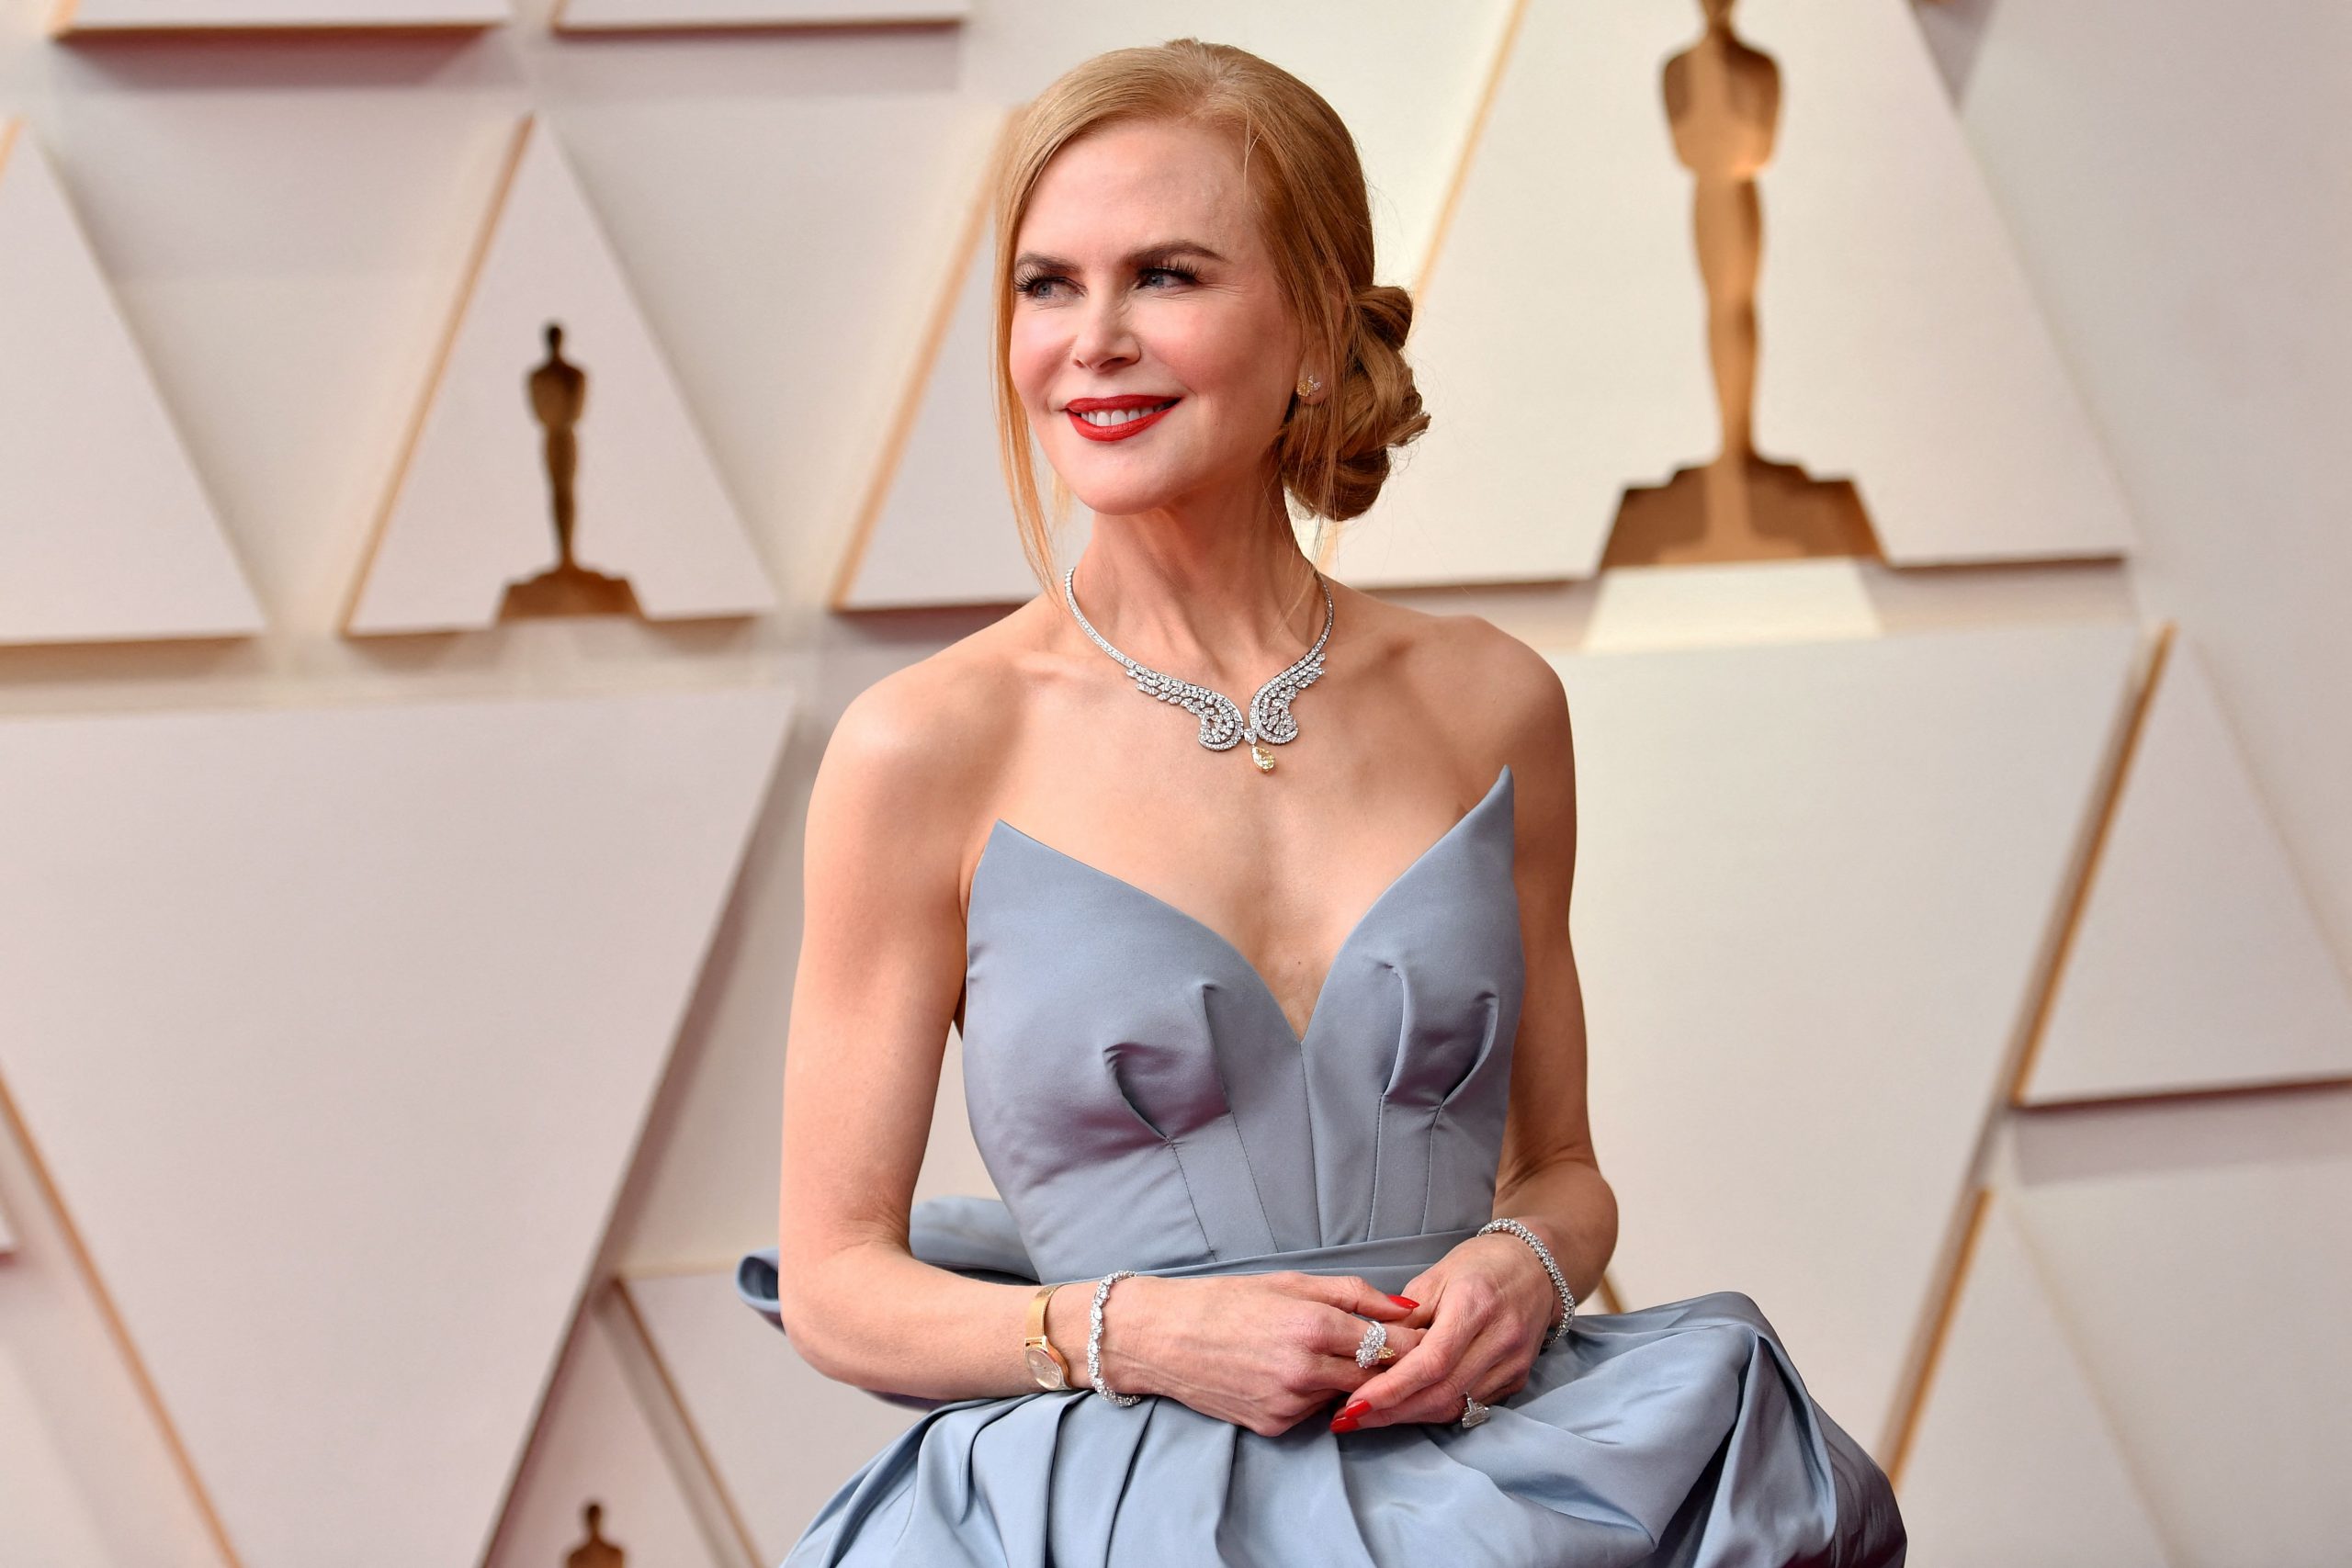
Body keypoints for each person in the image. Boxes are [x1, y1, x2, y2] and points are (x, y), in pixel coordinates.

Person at [736, 37, 1907, 1566]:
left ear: (1311, 329)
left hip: (1496, 1490)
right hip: (1128, 1522)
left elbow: (1562, 1170)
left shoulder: (1490, 703)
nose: (1092, 342)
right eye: (1047, 285)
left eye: (1165, 276)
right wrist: (1135, 1334)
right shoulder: (923, 748)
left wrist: (1528, 1269)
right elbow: (835, 1286)